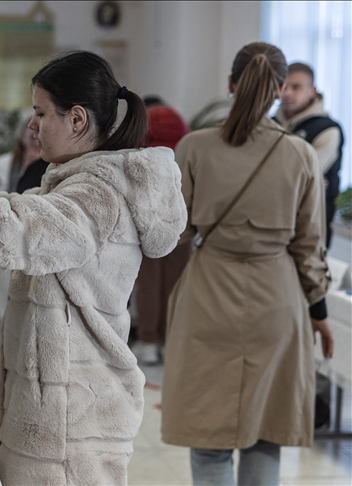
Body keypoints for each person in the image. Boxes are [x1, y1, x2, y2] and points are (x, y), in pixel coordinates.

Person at [0, 51, 187, 485]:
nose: (31, 125)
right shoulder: (82, 184)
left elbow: (21, 232)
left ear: (77, 120)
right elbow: (27, 211)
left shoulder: (97, 193)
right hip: (62, 407)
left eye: (40, 112)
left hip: (71, 420)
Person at [161, 43, 334, 486]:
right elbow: (309, 246)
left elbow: (172, 232)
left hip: (208, 294)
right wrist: (319, 312)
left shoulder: (194, 147)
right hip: (277, 299)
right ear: (279, 89)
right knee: (264, 435)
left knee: (209, 436)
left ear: (231, 85)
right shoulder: (300, 155)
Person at [131, 95, 192, 364]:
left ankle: (147, 342)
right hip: (183, 218)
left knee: (148, 284)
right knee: (176, 284)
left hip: (149, 218)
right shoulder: (180, 128)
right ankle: (169, 341)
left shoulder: (148, 127)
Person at [274, 62, 345, 248]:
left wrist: (302, 176)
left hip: (311, 227)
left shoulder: (328, 129)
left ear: (312, 90)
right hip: (272, 222)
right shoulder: (270, 124)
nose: (287, 93)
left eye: (296, 87)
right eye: (283, 86)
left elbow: (304, 175)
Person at [9, 124, 47, 194]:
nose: (36, 143)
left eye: (41, 137)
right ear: (23, 138)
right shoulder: (7, 162)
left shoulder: (51, 162)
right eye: (32, 137)